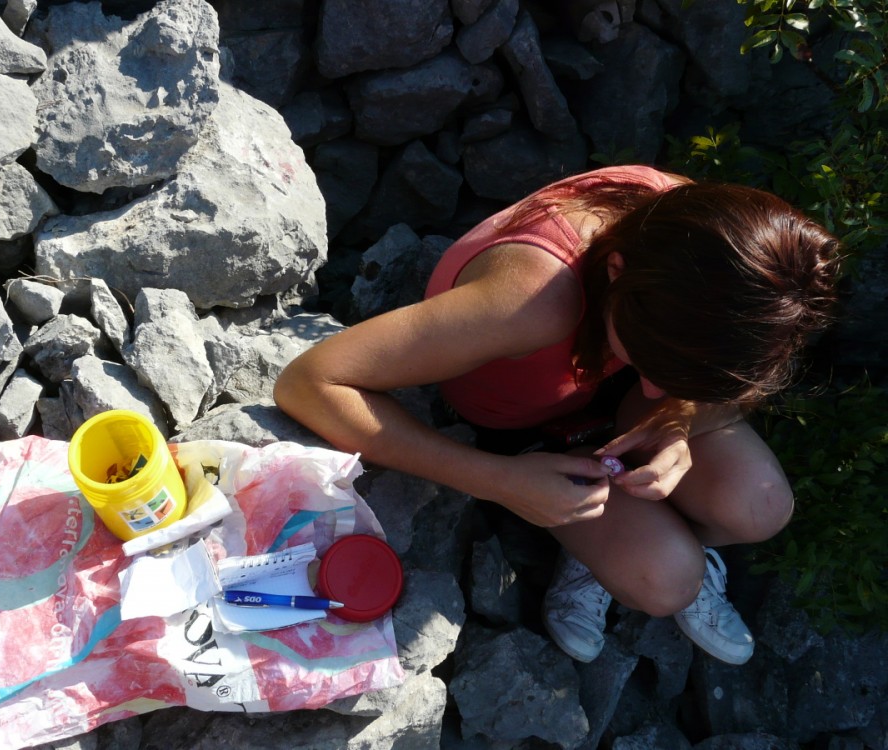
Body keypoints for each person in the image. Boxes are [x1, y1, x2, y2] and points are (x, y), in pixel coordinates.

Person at [273, 165, 840, 665]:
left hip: (594, 391)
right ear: (615, 272)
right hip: (516, 428)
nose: (651, 387)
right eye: (650, 360)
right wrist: (497, 481)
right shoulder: (533, 302)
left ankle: (614, 544)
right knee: (669, 581)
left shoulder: (706, 243)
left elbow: (680, 383)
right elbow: (309, 382)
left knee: (762, 508)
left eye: (678, 375)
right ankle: (611, 547)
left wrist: (677, 417)